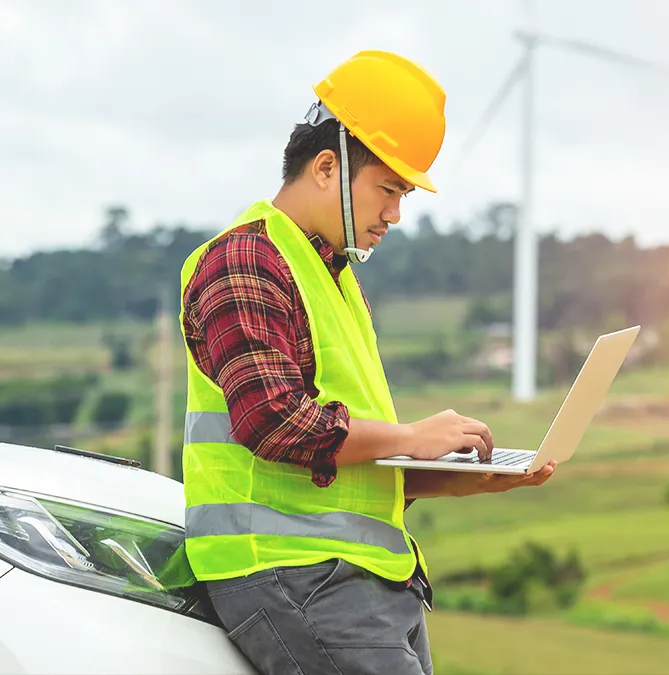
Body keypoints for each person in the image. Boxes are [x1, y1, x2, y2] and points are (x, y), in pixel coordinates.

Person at [178, 50, 555, 675]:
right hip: (292, 576)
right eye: (387, 189)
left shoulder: (334, 280)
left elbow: (342, 469)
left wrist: (456, 476)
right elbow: (272, 421)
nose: (394, 214)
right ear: (326, 167)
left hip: (355, 582)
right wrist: (412, 435)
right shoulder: (246, 261)